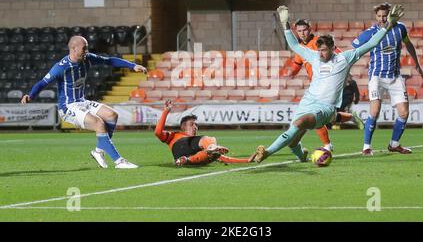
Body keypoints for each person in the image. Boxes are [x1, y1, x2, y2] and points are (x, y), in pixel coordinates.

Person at [252, 4, 404, 163]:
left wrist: (388, 25)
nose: (321, 54)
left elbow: (371, 43)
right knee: (293, 138)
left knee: (300, 123)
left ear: (332, 48)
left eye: (324, 50)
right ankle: (301, 155)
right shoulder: (314, 56)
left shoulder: (344, 58)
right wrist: (285, 25)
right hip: (307, 101)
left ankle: (267, 152)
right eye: (319, 50)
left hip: (325, 107)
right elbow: (295, 45)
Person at [21, 36, 147, 169]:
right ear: (74, 49)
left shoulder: (88, 58)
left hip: (82, 101)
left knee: (112, 115)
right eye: (84, 48)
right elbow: (42, 83)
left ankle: (98, 151)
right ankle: (119, 161)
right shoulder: (61, 67)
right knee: (99, 123)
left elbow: (109, 61)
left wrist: (132, 66)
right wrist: (31, 96)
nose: (86, 50)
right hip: (68, 107)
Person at [281, 18, 364, 153]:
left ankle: (327, 145)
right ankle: (351, 117)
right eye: (299, 31)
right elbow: (297, 65)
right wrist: (290, 73)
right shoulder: (301, 48)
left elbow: (339, 57)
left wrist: (346, 74)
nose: (302, 33)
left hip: (329, 83)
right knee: (329, 117)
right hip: (316, 86)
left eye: (305, 30)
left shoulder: (319, 43)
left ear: (310, 29)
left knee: (316, 116)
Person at [352, 2, 423, 156]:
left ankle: (394, 144)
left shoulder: (400, 28)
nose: (382, 19)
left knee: (404, 113)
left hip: (395, 76)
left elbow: (408, 44)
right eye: (379, 16)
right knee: (375, 111)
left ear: (390, 14)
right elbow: (355, 45)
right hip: (376, 76)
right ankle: (366, 147)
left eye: (385, 15)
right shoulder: (371, 32)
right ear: (375, 17)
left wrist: (416, 63)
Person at [155, 99, 253, 166]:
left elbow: (225, 158)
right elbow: (158, 132)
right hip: (180, 145)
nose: (195, 127)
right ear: (183, 127)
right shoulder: (175, 135)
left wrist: (247, 160)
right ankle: (210, 149)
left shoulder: (199, 145)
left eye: (196, 125)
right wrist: (165, 112)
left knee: (213, 154)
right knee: (210, 140)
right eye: (192, 124)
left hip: (183, 156)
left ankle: (186, 160)